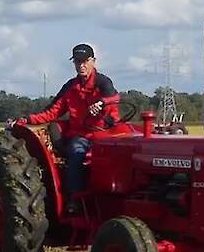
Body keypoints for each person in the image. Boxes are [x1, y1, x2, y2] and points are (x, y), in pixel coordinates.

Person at [11, 43, 121, 214]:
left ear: (93, 61)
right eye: (78, 62)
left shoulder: (103, 83)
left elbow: (114, 99)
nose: (81, 65)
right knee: (77, 152)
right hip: (82, 135)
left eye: (85, 61)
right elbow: (52, 112)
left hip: (106, 133)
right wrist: (27, 119)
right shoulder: (70, 87)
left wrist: (101, 104)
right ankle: (74, 199)